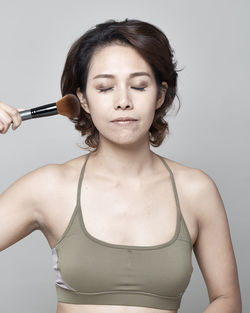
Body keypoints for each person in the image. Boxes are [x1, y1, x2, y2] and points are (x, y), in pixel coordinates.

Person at [0, 18, 242, 313]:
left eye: (139, 86)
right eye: (104, 88)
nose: (123, 101)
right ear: (82, 100)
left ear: (160, 95)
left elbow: (226, 300)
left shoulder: (196, 190)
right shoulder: (48, 186)